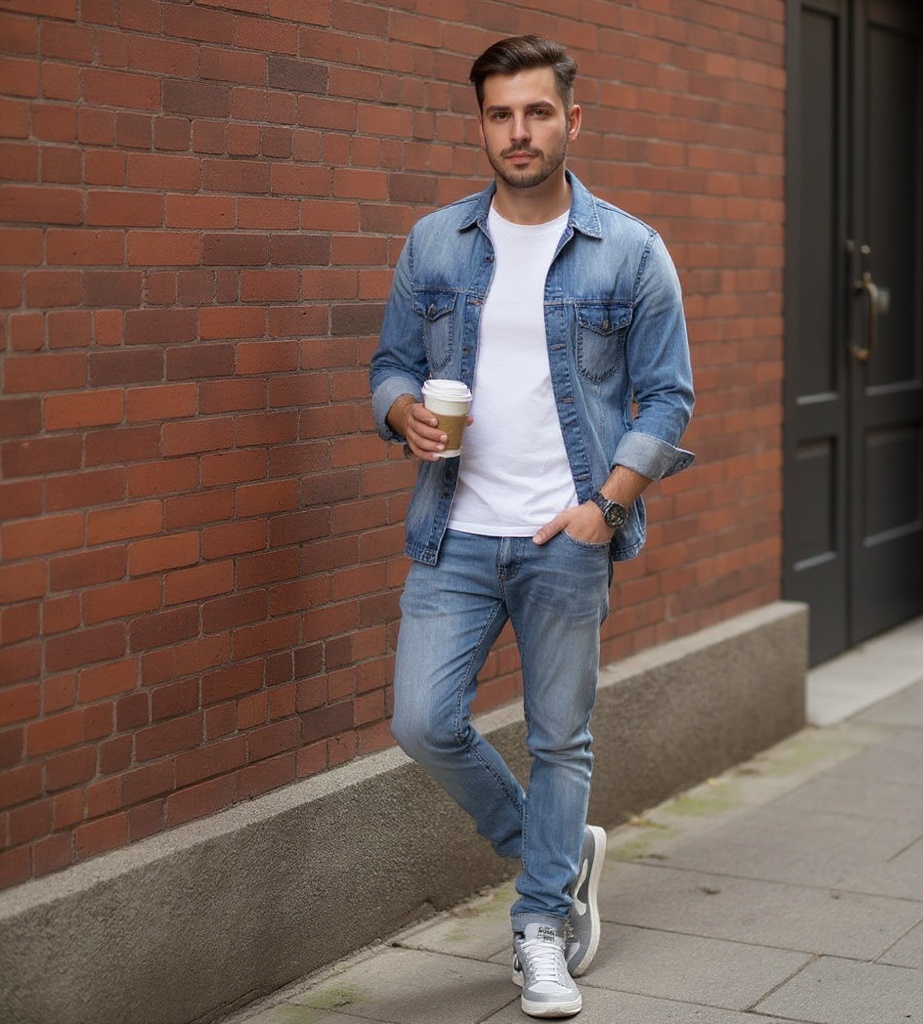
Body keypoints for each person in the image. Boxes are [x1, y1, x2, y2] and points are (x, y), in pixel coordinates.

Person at [370, 34, 695, 1019]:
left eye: (537, 112)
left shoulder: (630, 249)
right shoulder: (434, 243)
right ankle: (555, 855)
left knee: (561, 741)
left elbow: (667, 398)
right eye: (500, 114)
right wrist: (402, 412)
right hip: (455, 531)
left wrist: (606, 507)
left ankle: (539, 926)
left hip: (567, 535)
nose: (519, 131)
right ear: (480, 125)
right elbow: (390, 365)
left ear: (571, 121)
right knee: (422, 721)